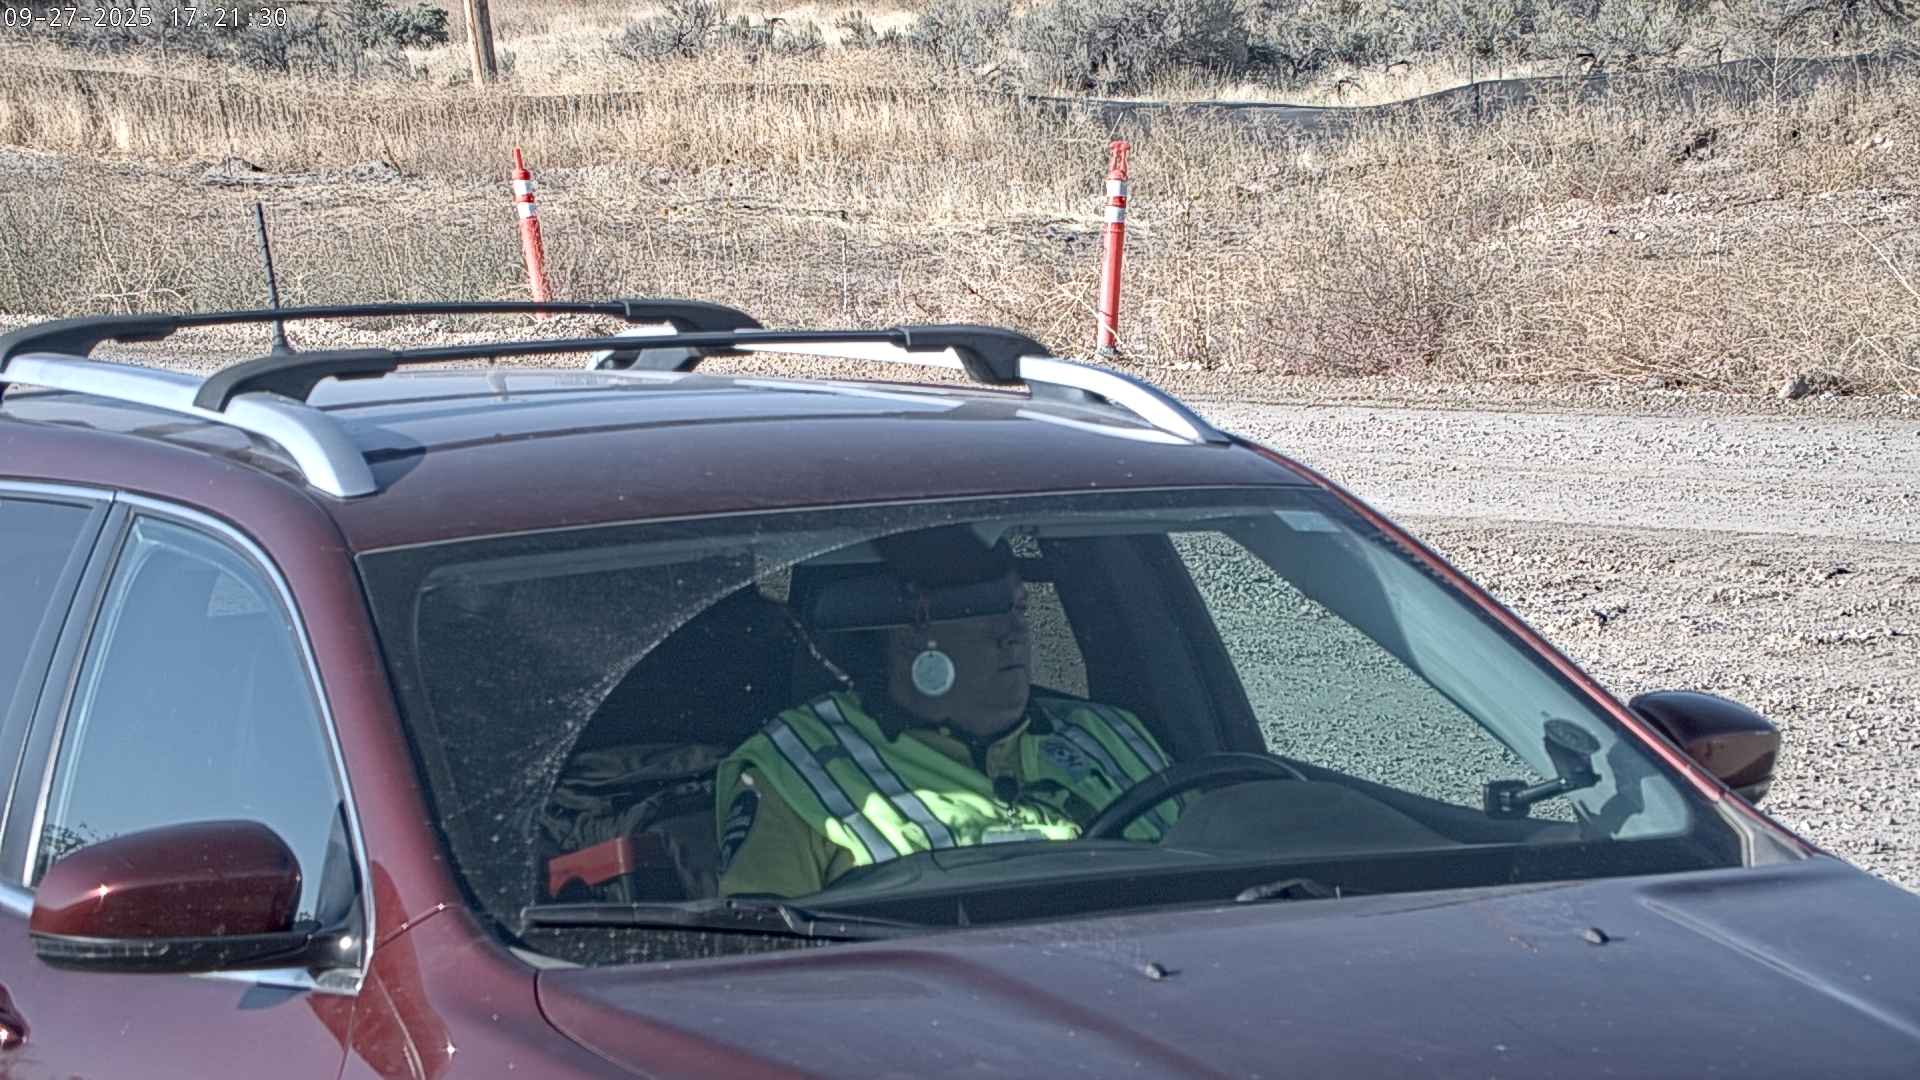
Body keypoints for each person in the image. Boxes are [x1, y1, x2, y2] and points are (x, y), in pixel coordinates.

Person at [713, 526, 1182, 898]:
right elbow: (762, 958)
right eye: (986, 609)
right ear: (911, 631)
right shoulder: (799, 770)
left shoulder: (1112, 735)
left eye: (1018, 607)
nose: (1014, 631)